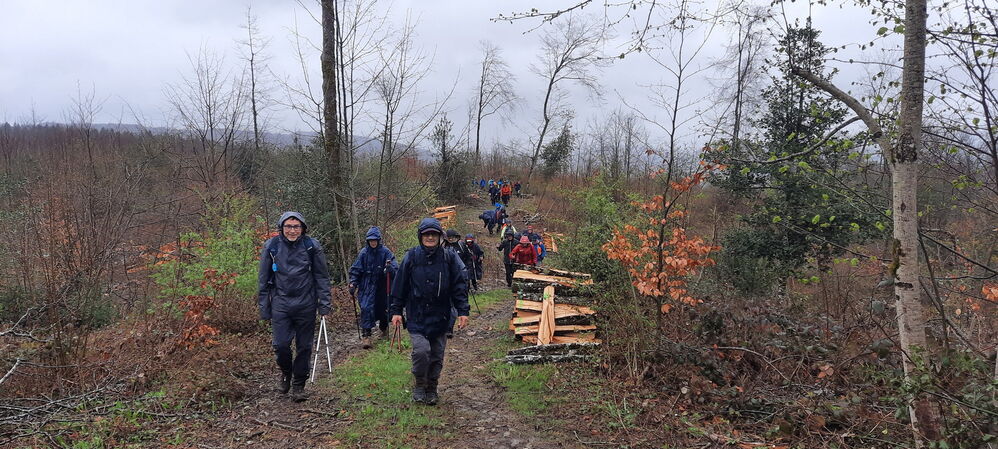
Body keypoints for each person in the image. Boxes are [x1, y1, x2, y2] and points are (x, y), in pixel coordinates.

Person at [389, 218, 469, 405]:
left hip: (441, 316)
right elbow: (399, 285)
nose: (430, 237)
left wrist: (463, 311)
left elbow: (459, 286)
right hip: (417, 315)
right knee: (421, 352)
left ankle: (432, 387)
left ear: (440, 236)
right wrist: (396, 310)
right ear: (420, 236)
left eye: (434, 234)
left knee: (436, 354)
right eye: (426, 234)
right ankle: (419, 384)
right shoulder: (412, 257)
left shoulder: (448, 258)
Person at [257, 212, 331, 402]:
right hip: (281, 303)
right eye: (288, 226)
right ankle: (286, 372)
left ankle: (299, 384)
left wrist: (324, 304)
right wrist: (265, 308)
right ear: (281, 228)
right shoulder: (271, 247)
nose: (292, 230)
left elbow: (321, 277)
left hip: (306, 303)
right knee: (280, 345)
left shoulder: (311, 246)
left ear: (303, 228)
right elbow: (263, 280)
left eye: (296, 226)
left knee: (304, 346)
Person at [349, 226, 398, 349]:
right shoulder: (363, 253)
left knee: (383, 308)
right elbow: (356, 269)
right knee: (365, 308)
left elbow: (395, 267)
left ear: (379, 240)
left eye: (375, 240)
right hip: (367, 285)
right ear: (368, 241)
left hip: (382, 285)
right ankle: (367, 335)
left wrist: (389, 269)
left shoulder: (386, 252)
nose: (373, 242)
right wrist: (353, 283)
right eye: (371, 240)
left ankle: (383, 328)